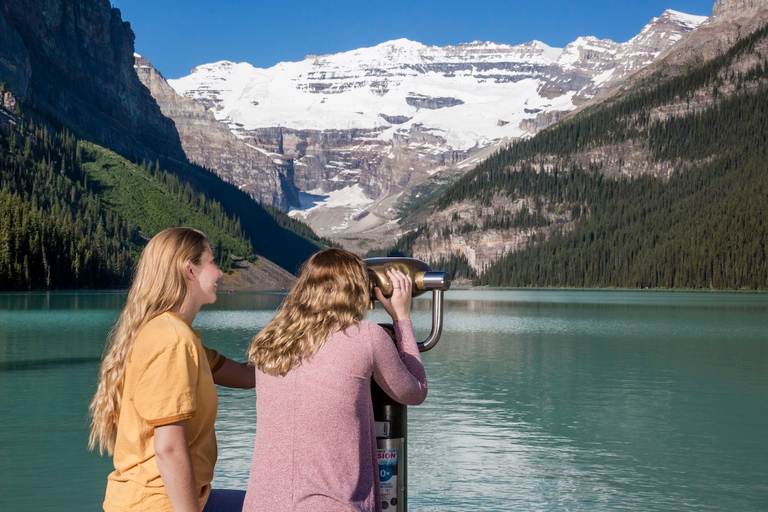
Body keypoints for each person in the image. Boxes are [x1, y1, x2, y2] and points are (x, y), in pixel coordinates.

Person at [243, 248, 428, 512]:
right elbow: (415, 391)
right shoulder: (366, 336)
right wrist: (402, 318)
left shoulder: (269, 342)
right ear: (358, 289)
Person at [88, 227, 255, 512]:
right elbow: (169, 449)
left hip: (168, 497)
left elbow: (247, 376)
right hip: (162, 503)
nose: (219, 272)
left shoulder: (170, 333)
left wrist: (304, 350)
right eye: (212, 261)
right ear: (190, 270)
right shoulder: (174, 340)